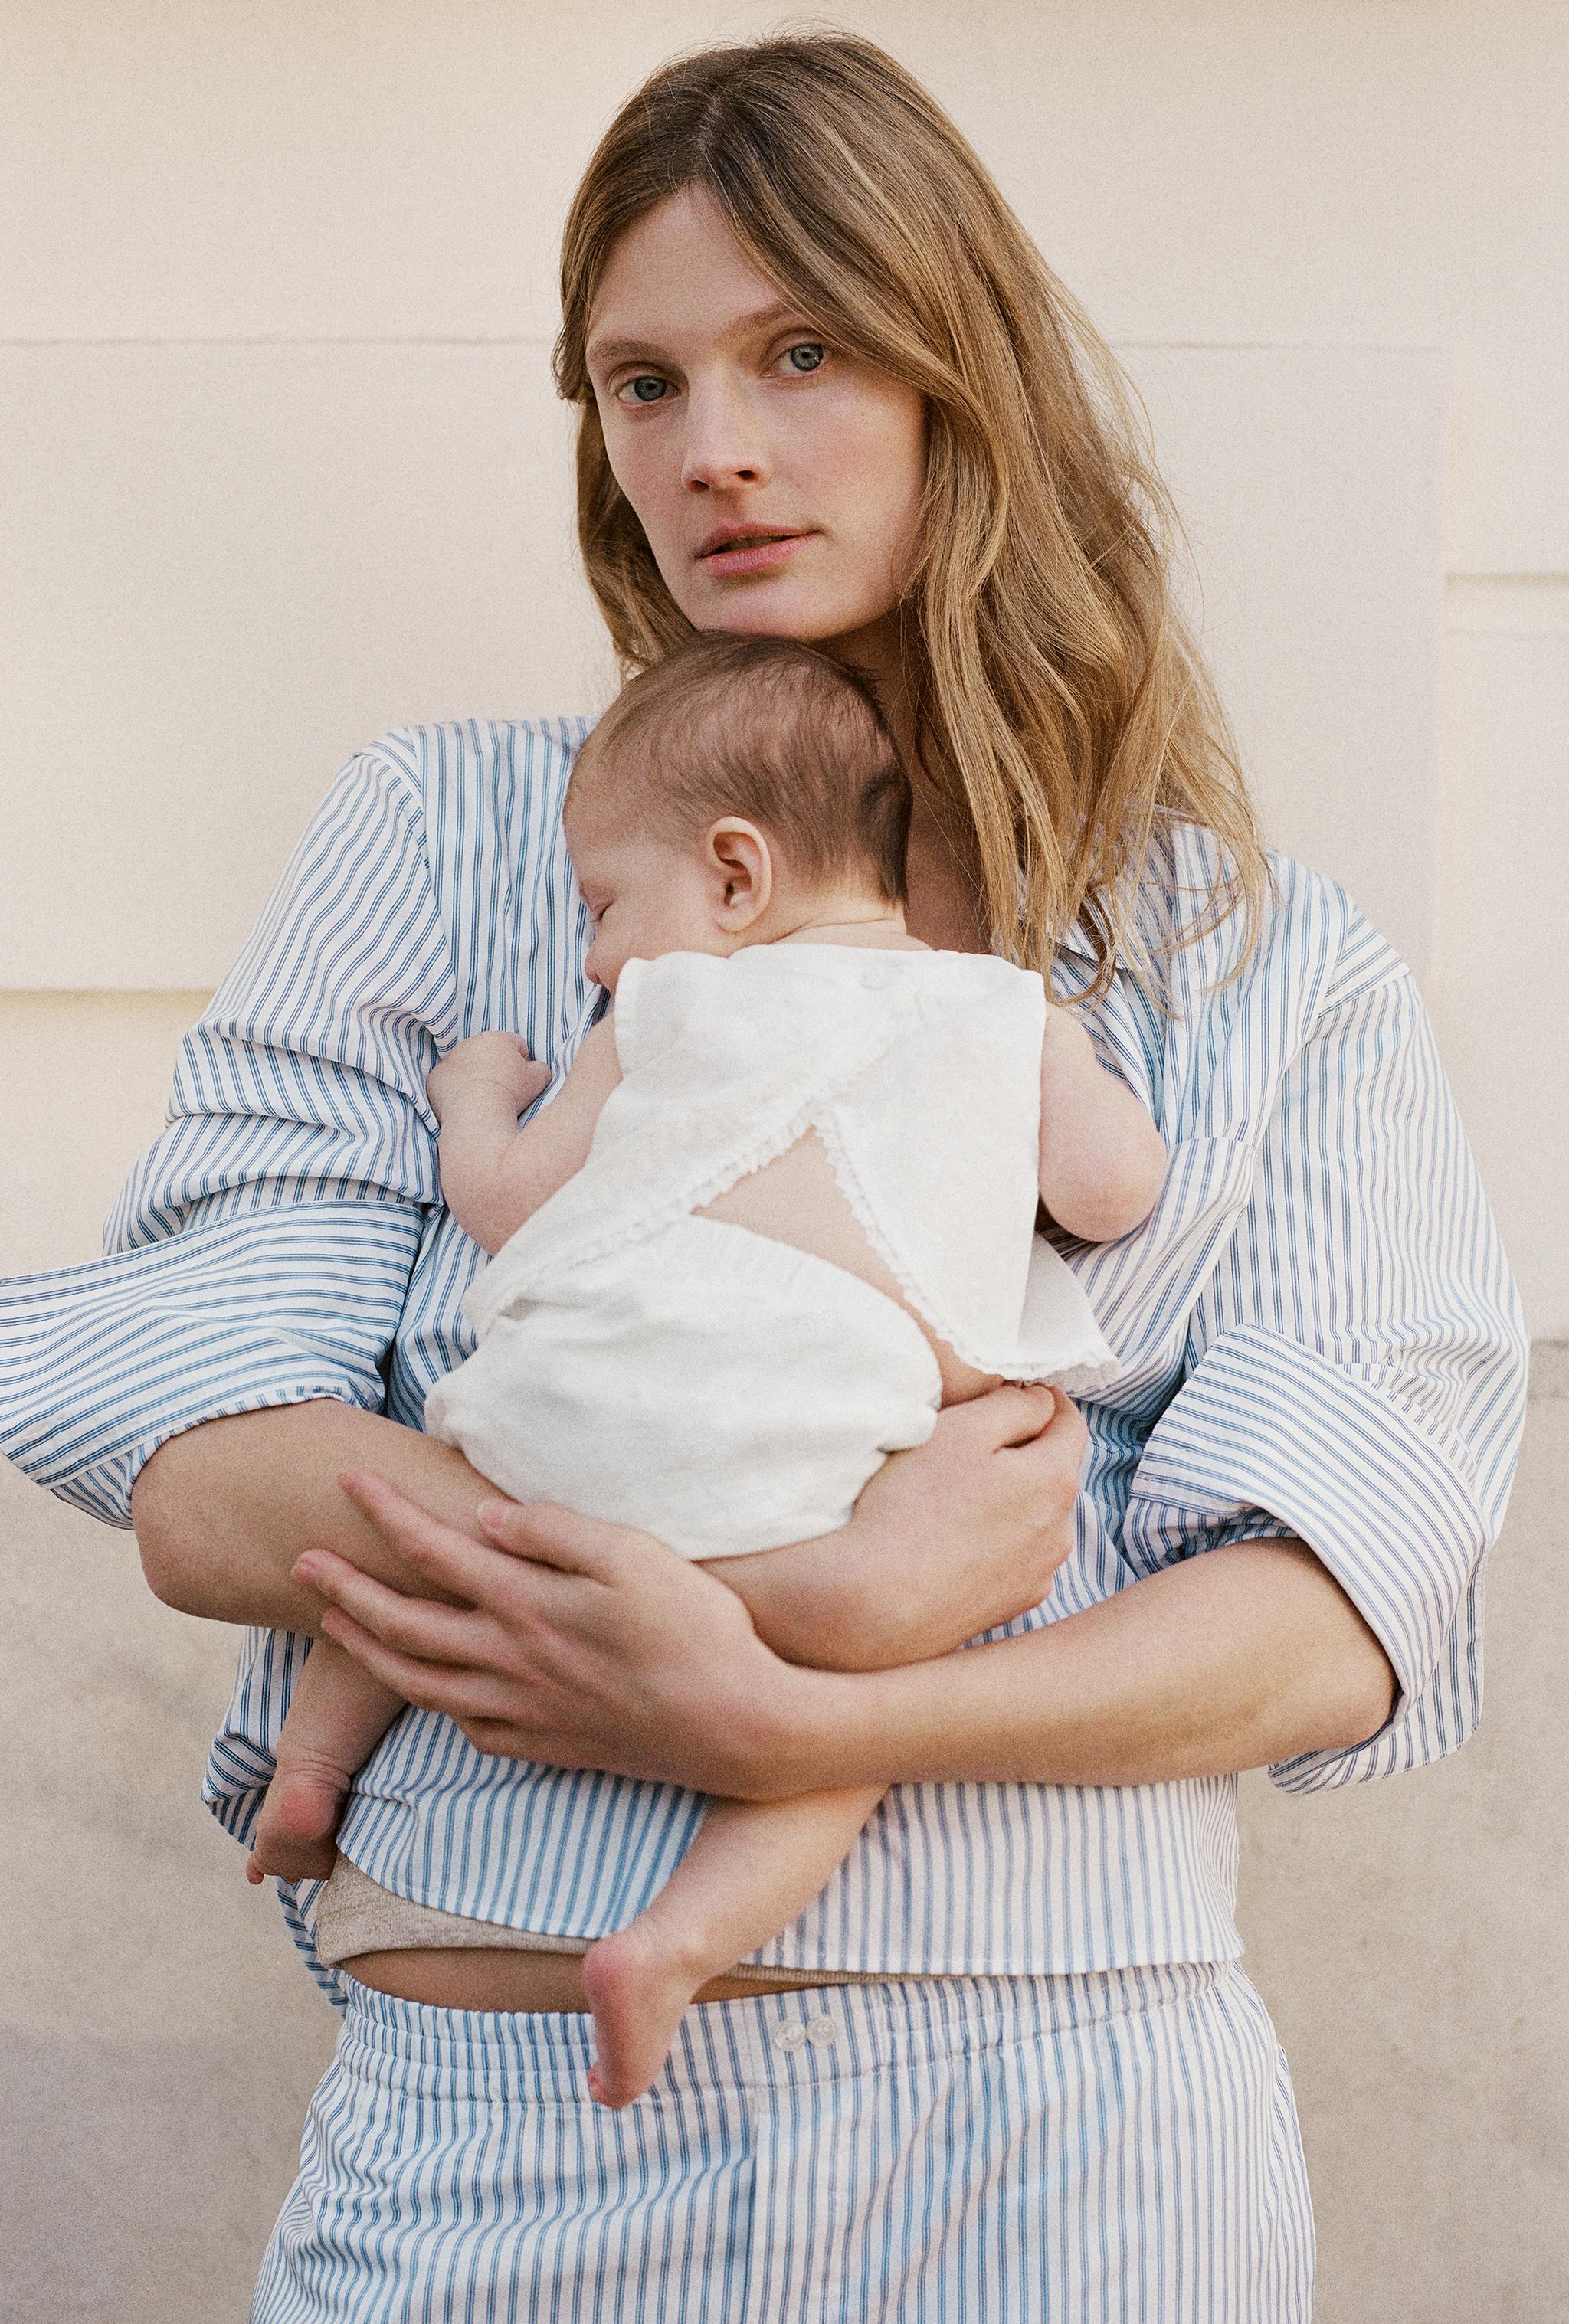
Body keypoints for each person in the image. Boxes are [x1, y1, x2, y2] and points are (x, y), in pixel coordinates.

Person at [0, 30, 1527, 2324]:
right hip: (504, 2152)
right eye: (639, 383)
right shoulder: (454, 840)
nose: (710, 445)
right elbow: (211, 1471)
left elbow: (1332, 1617)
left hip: (1064, 2154)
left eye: (799, 350)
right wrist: (822, 1586)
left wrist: (807, 1724)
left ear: (962, 389)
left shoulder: (1247, 960)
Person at [247, 631, 1165, 2111]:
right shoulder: (999, 1005)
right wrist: (1040, 1097)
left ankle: (306, 1773)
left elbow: (509, 1204)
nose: (596, 953)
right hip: (819, 1439)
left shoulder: (661, 1010)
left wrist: (477, 1091)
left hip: (583, 1394)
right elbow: (1117, 1191)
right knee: (865, 1698)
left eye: (605, 904)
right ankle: (675, 1946)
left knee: (453, 1535)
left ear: (737, 876)